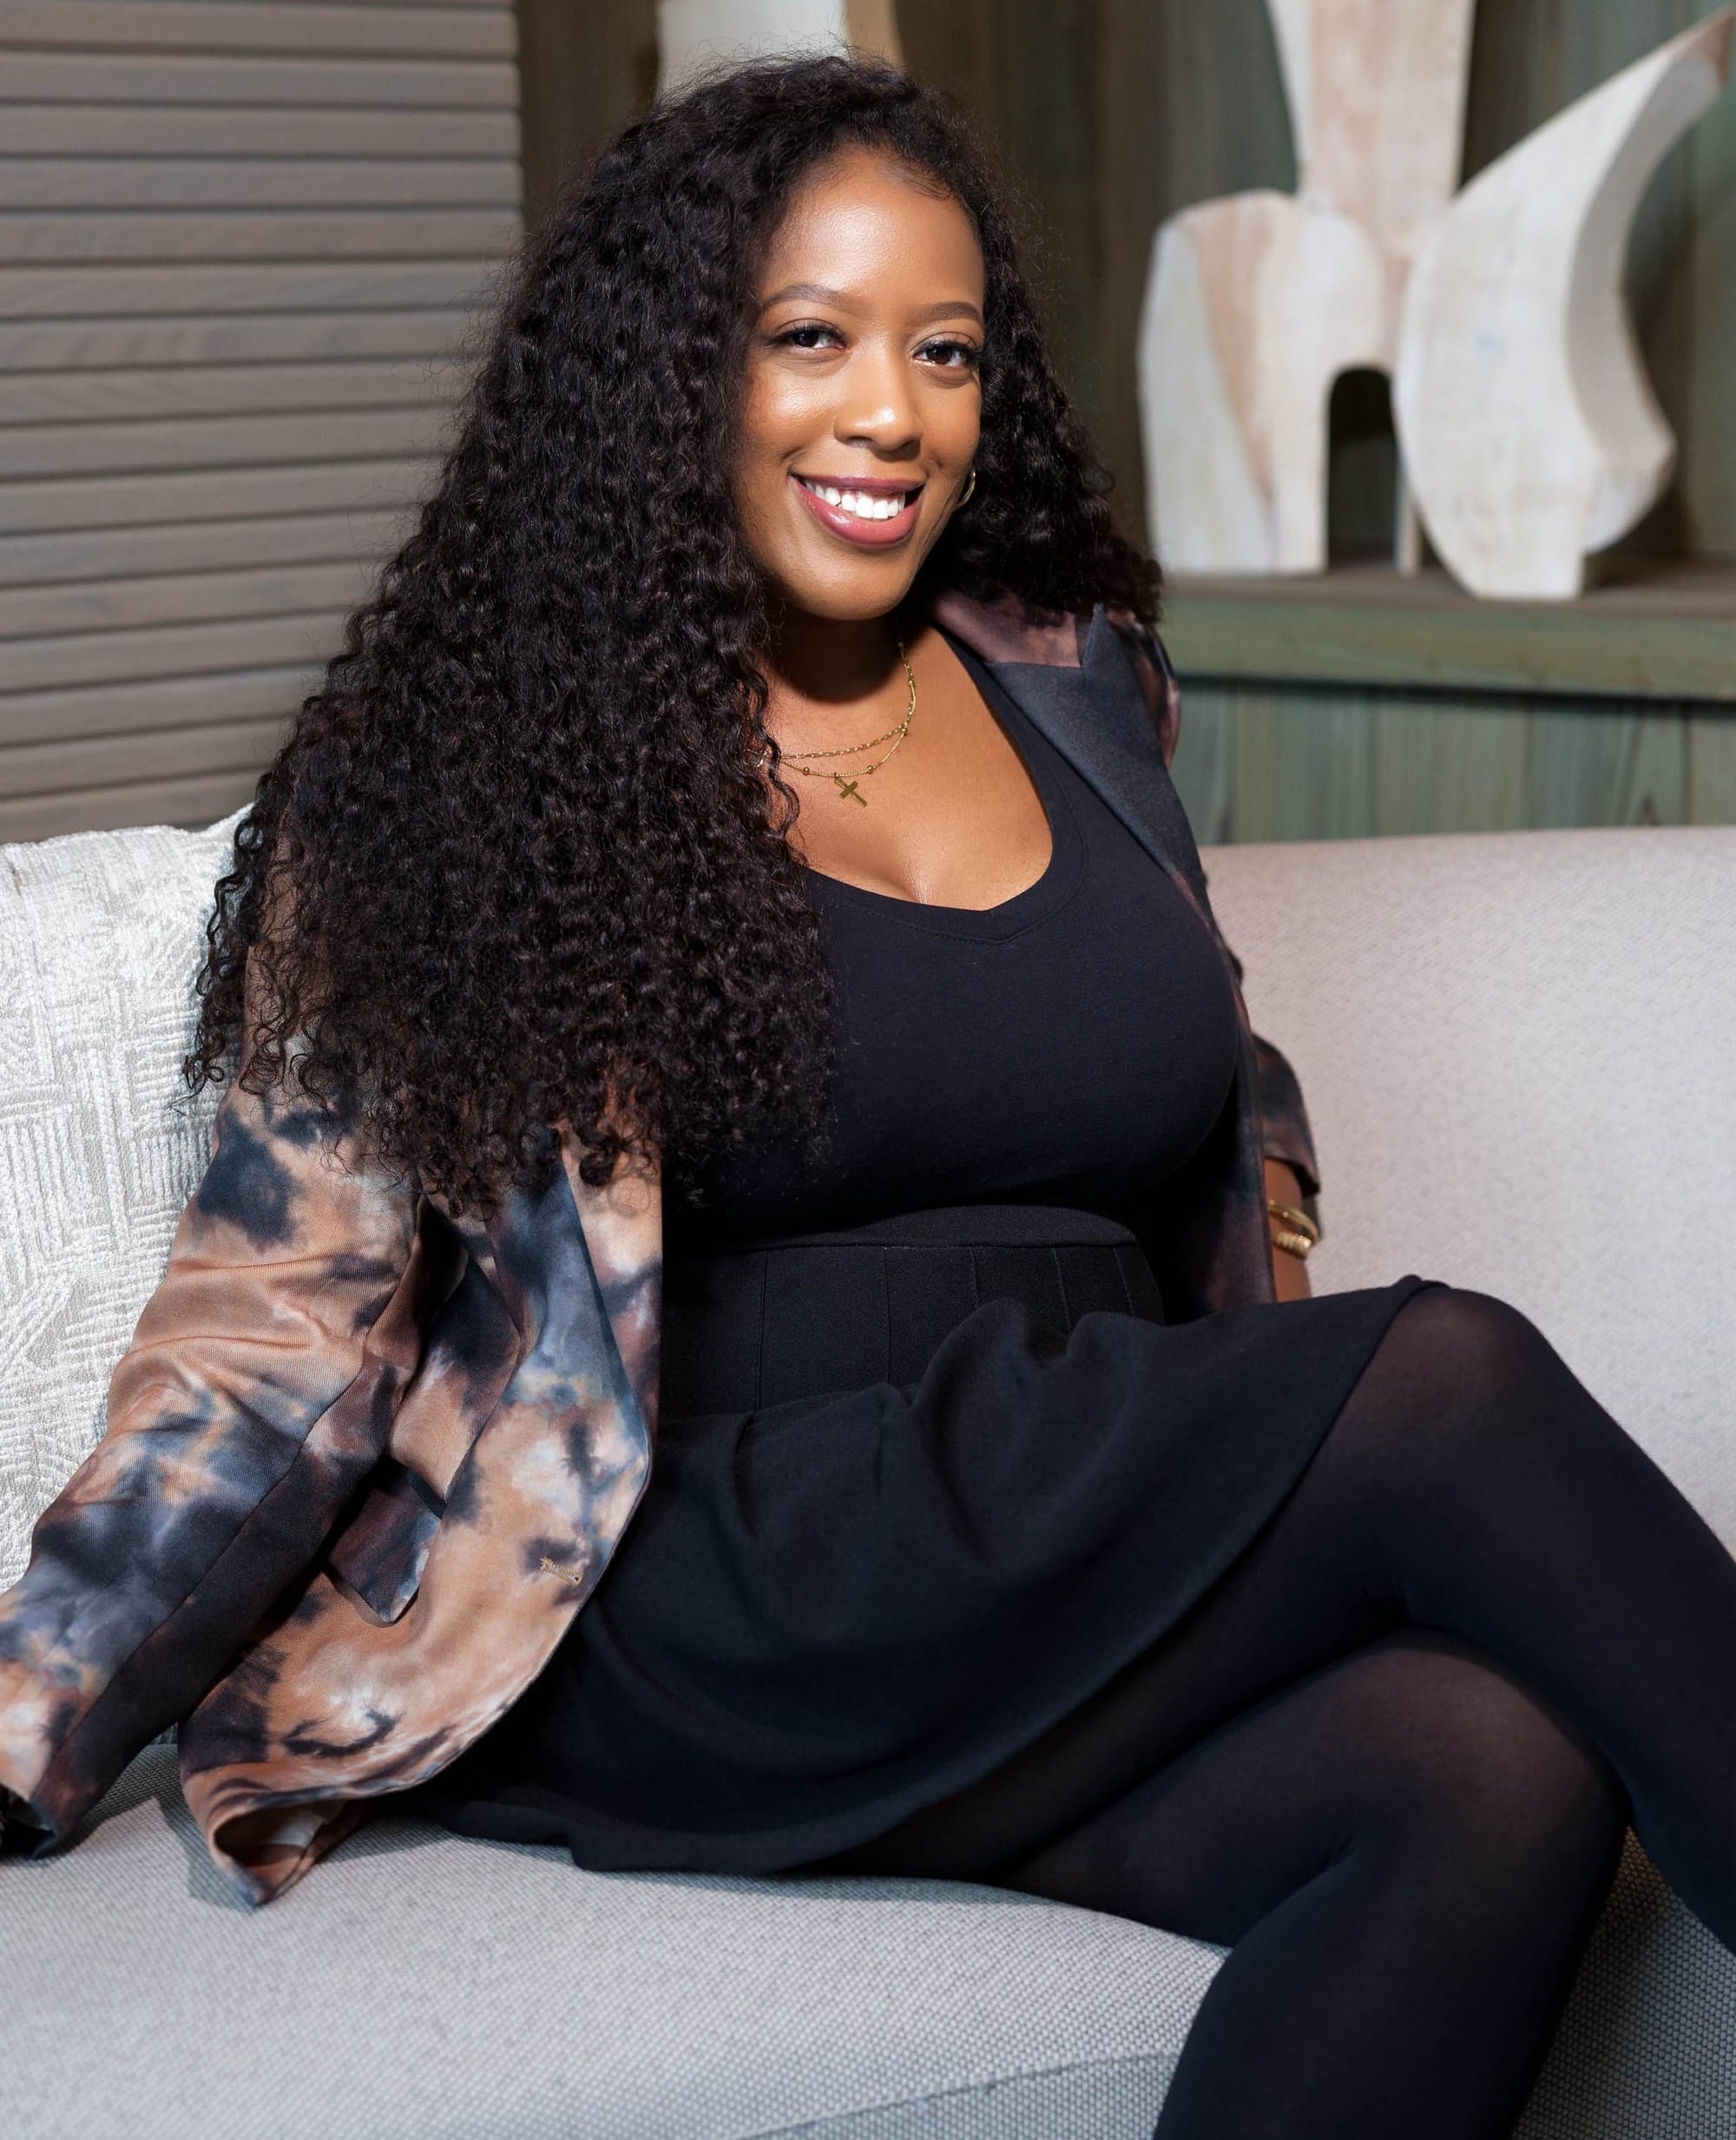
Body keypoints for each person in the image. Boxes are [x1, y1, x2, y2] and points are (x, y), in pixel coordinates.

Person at [3, 50, 1735, 2140]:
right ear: (667, 374)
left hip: (1064, 1533)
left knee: (1487, 1771)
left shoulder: (1074, 683)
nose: (892, 413)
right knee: (1440, 1379)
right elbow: (273, 1333)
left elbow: (1182, 1072)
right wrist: (30, 1717)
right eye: (808, 338)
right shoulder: (457, 775)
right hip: (730, 1573)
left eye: (944, 350)